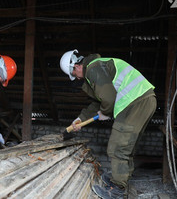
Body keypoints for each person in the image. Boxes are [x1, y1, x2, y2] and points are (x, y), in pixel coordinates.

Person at [60, 49, 157, 198]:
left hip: (135, 101)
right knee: (126, 146)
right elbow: (97, 103)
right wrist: (80, 119)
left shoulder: (93, 69)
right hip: (142, 100)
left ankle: (117, 189)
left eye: (74, 75)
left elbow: (109, 99)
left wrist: (105, 112)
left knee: (118, 146)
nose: (76, 78)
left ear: (76, 66)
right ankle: (121, 181)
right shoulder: (96, 69)